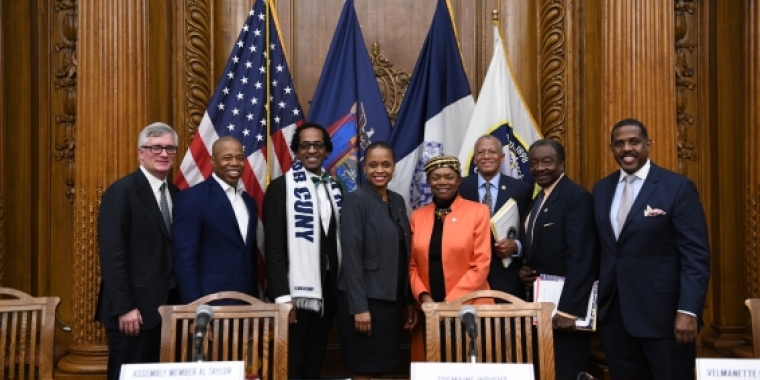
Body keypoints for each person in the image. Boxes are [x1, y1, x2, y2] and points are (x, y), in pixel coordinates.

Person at [593, 118, 710, 379]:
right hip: (615, 318)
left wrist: (689, 310)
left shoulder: (677, 187)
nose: (627, 149)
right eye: (619, 144)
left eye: (634, 142)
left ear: (648, 144)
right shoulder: (602, 189)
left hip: (665, 319)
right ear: (612, 149)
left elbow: (696, 255)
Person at [96, 122, 181, 380]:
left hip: (168, 311)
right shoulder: (121, 192)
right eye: (155, 147)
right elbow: (112, 254)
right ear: (140, 152)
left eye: (170, 148)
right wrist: (124, 307)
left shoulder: (177, 194)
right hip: (134, 314)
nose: (163, 154)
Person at [263, 123, 344, 379]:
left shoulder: (335, 188)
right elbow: (273, 247)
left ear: (326, 150)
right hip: (295, 291)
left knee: (316, 356)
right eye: (305, 145)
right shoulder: (281, 188)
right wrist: (282, 297)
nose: (311, 150)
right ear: (296, 152)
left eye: (317, 145)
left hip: (328, 288)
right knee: (294, 360)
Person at [336, 142, 418, 378]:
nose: (379, 170)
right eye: (373, 165)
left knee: (382, 366)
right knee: (364, 367)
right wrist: (359, 307)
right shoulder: (356, 200)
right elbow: (351, 256)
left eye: (385, 164)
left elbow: (402, 254)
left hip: (389, 302)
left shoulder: (398, 200)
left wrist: (407, 301)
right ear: (364, 168)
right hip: (364, 301)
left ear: (393, 168)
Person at [518, 139, 597, 380]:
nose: (540, 168)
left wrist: (569, 310)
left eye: (547, 161)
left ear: (561, 163)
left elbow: (582, 257)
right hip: (543, 309)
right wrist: (524, 270)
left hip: (565, 314)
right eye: (534, 163)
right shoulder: (537, 200)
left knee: (566, 371)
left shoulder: (576, 197)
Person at [408, 156, 493, 360]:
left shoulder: (478, 212)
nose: (442, 182)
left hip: (470, 306)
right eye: (436, 177)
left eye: (449, 177)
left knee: (469, 368)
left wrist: (448, 304)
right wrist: (425, 299)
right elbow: (412, 265)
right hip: (429, 310)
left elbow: (481, 264)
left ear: (459, 180)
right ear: (429, 182)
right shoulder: (418, 216)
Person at [172, 136, 259, 304]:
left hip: (247, 305)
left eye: (240, 158)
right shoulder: (192, 198)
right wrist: (194, 310)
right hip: (209, 304)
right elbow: (185, 260)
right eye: (227, 157)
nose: (235, 163)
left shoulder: (249, 201)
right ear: (213, 161)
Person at [459, 135, 533, 299]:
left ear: (502, 157)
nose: (486, 156)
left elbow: (528, 229)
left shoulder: (520, 189)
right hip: (467, 275)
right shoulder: (460, 187)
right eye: (481, 152)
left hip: (507, 278)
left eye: (492, 152)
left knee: (507, 325)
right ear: (475, 159)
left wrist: (516, 246)